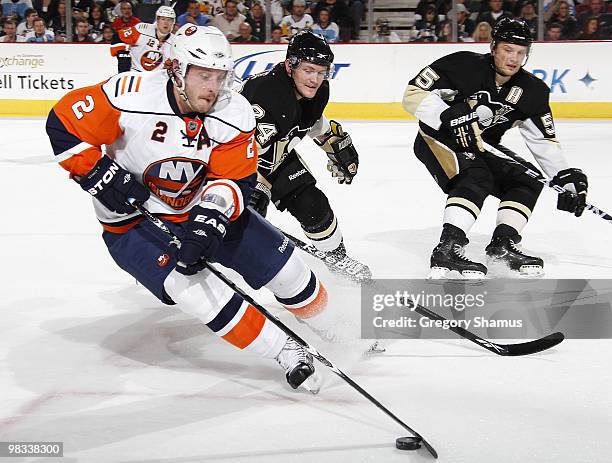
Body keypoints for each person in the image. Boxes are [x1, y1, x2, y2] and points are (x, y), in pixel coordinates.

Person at [45, 24, 337, 393]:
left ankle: (334, 326)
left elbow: (235, 181)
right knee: (190, 286)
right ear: (175, 70)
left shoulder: (236, 111)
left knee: (288, 270)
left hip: (199, 206)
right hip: (133, 223)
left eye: (220, 77)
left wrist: (208, 222)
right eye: (202, 75)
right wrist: (101, 175)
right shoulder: (128, 95)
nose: (212, 88)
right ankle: (285, 351)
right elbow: (64, 125)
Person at [402, 18, 588, 278]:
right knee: (476, 176)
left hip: (483, 146)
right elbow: (412, 94)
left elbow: (542, 139)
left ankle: (503, 244)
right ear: (493, 47)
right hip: (437, 138)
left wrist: (565, 176)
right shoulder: (462, 65)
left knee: (527, 180)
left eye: (521, 52)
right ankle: (447, 248)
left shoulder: (531, 90)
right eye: (508, 50)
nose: (514, 58)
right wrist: (446, 116)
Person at [239, 31, 371, 282]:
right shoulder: (265, 96)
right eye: (309, 70)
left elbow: (306, 119)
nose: (315, 80)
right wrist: (256, 187)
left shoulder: (317, 91)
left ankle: (338, 259)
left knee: (314, 205)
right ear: (290, 66)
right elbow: (237, 151)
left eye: (321, 72)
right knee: (249, 218)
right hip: (239, 158)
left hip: (275, 155)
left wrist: (330, 141)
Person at [111, 5, 175, 73]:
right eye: (163, 19)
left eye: (169, 20)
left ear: (173, 22)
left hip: (156, 79)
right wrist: (124, 60)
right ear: (157, 20)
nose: (166, 23)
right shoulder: (142, 30)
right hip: (135, 74)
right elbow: (118, 36)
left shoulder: (175, 42)